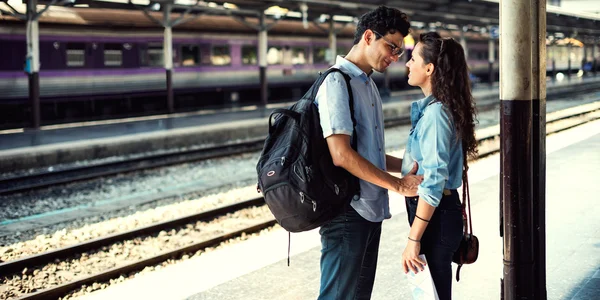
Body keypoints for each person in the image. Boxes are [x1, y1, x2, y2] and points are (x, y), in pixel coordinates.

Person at [314, 6, 423, 300]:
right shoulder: (338, 82)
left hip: (369, 209)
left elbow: (370, 151)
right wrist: (398, 185)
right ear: (368, 36)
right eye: (391, 47)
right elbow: (341, 154)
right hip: (347, 209)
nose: (394, 56)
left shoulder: (368, 84)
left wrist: (407, 166)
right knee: (338, 296)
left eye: (400, 51)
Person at [400, 32, 478, 299]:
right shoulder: (439, 108)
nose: (408, 65)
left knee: (431, 293)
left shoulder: (434, 114)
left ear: (429, 68)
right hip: (439, 215)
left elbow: (432, 182)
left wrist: (413, 238)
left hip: (435, 218)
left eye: (412, 59)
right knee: (433, 292)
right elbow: (420, 164)